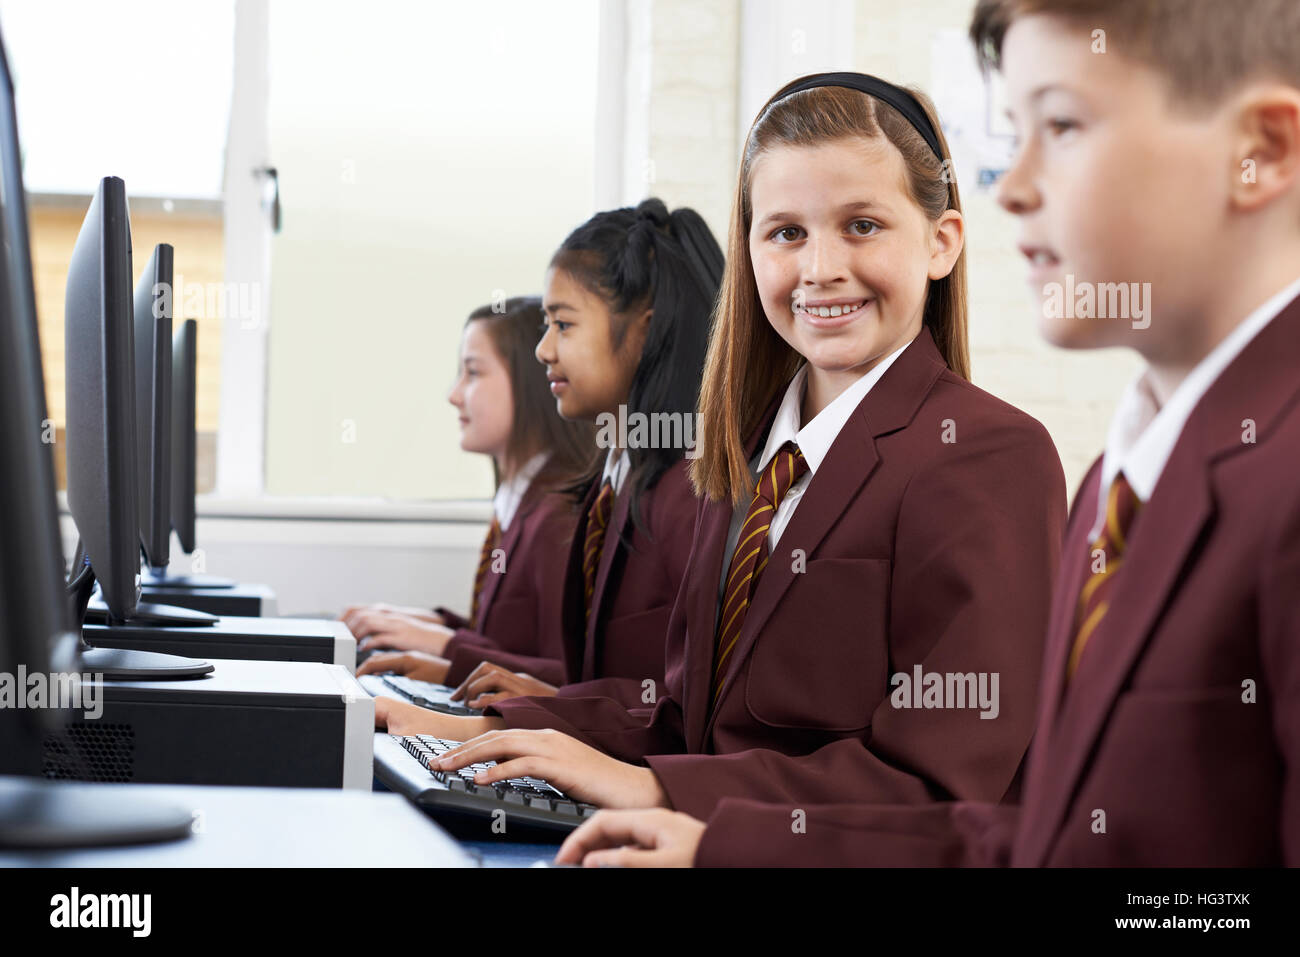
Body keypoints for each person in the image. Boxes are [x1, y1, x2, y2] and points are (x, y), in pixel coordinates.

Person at [559, 0, 1300, 866]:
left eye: (1061, 125)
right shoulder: (1121, 478)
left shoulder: (1249, 480)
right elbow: (1041, 842)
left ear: (1264, 151)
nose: (1011, 186)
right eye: (1015, 132)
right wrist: (714, 839)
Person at [375, 73, 1067, 824]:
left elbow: (940, 789)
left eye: (861, 225)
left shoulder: (988, 456)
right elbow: (685, 722)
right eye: (786, 233)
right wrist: (503, 731)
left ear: (941, 244)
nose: (820, 268)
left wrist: (662, 792)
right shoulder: (738, 458)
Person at [366, 197, 723, 710]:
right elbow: (597, 681)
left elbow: (674, 710)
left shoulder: (686, 494)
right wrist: (549, 699)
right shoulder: (614, 483)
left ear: (644, 331)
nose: (544, 352)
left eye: (564, 325)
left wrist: (536, 701)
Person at [341, 297, 592, 691]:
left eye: (472, 373)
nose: (454, 394)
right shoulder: (520, 502)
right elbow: (507, 639)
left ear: (531, 380)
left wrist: (448, 645)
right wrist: (435, 625)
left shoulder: (559, 517)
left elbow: (570, 679)